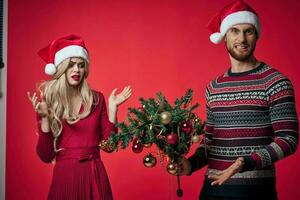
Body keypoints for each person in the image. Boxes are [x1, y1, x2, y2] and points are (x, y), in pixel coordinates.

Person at [174, 1, 299, 200]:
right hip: (212, 190)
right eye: (234, 31)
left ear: (256, 35)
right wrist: (190, 165)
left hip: (255, 192)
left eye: (248, 31)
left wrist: (245, 162)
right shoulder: (213, 88)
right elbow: (210, 141)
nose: (242, 38)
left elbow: (288, 140)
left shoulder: (276, 82)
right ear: (224, 37)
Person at [27, 34, 132, 200]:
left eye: (81, 65)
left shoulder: (97, 99)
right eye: (71, 65)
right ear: (61, 69)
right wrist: (45, 119)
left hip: (94, 176)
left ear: (85, 69)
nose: (76, 70)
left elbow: (109, 147)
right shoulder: (49, 101)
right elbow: (46, 156)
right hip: (65, 179)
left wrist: (113, 109)